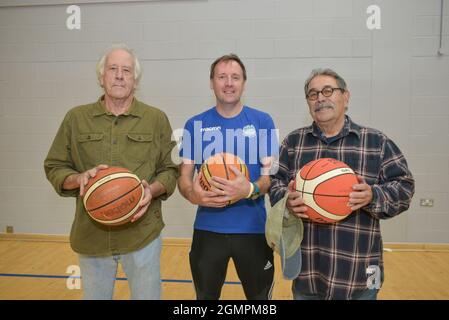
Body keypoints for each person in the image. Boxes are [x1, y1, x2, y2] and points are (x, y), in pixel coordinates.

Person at [44, 44, 179, 300]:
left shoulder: (156, 118)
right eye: (113, 69)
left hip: (143, 236)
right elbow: (54, 166)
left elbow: (170, 170)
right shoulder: (76, 118)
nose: (119, 75)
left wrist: (151, 190)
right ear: (101, 77)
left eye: (126, 70)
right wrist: (77, 178)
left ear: (135, 80)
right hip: (92, 236)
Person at [269, 68, 415, 300]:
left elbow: (405, 187)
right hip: (308, 274)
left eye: (328, 90)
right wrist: (286, 200)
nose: (320, 98)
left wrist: (373, 196)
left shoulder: (375, 142)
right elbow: (274, 181)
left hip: (360, 272)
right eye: (313, 94)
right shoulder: (293, 142)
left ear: (345, 97)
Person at [177, 54, 278, 300]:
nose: (229, 83)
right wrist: (192, 194)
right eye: (222, 77)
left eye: (235, 77)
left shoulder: (262, 121)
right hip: (208, 229)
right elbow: (184, 177)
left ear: (244, 82)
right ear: (211, 82)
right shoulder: (195, 124)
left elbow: (272, 178)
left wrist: (249, 189)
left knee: (260, 301)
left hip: (253, 230)